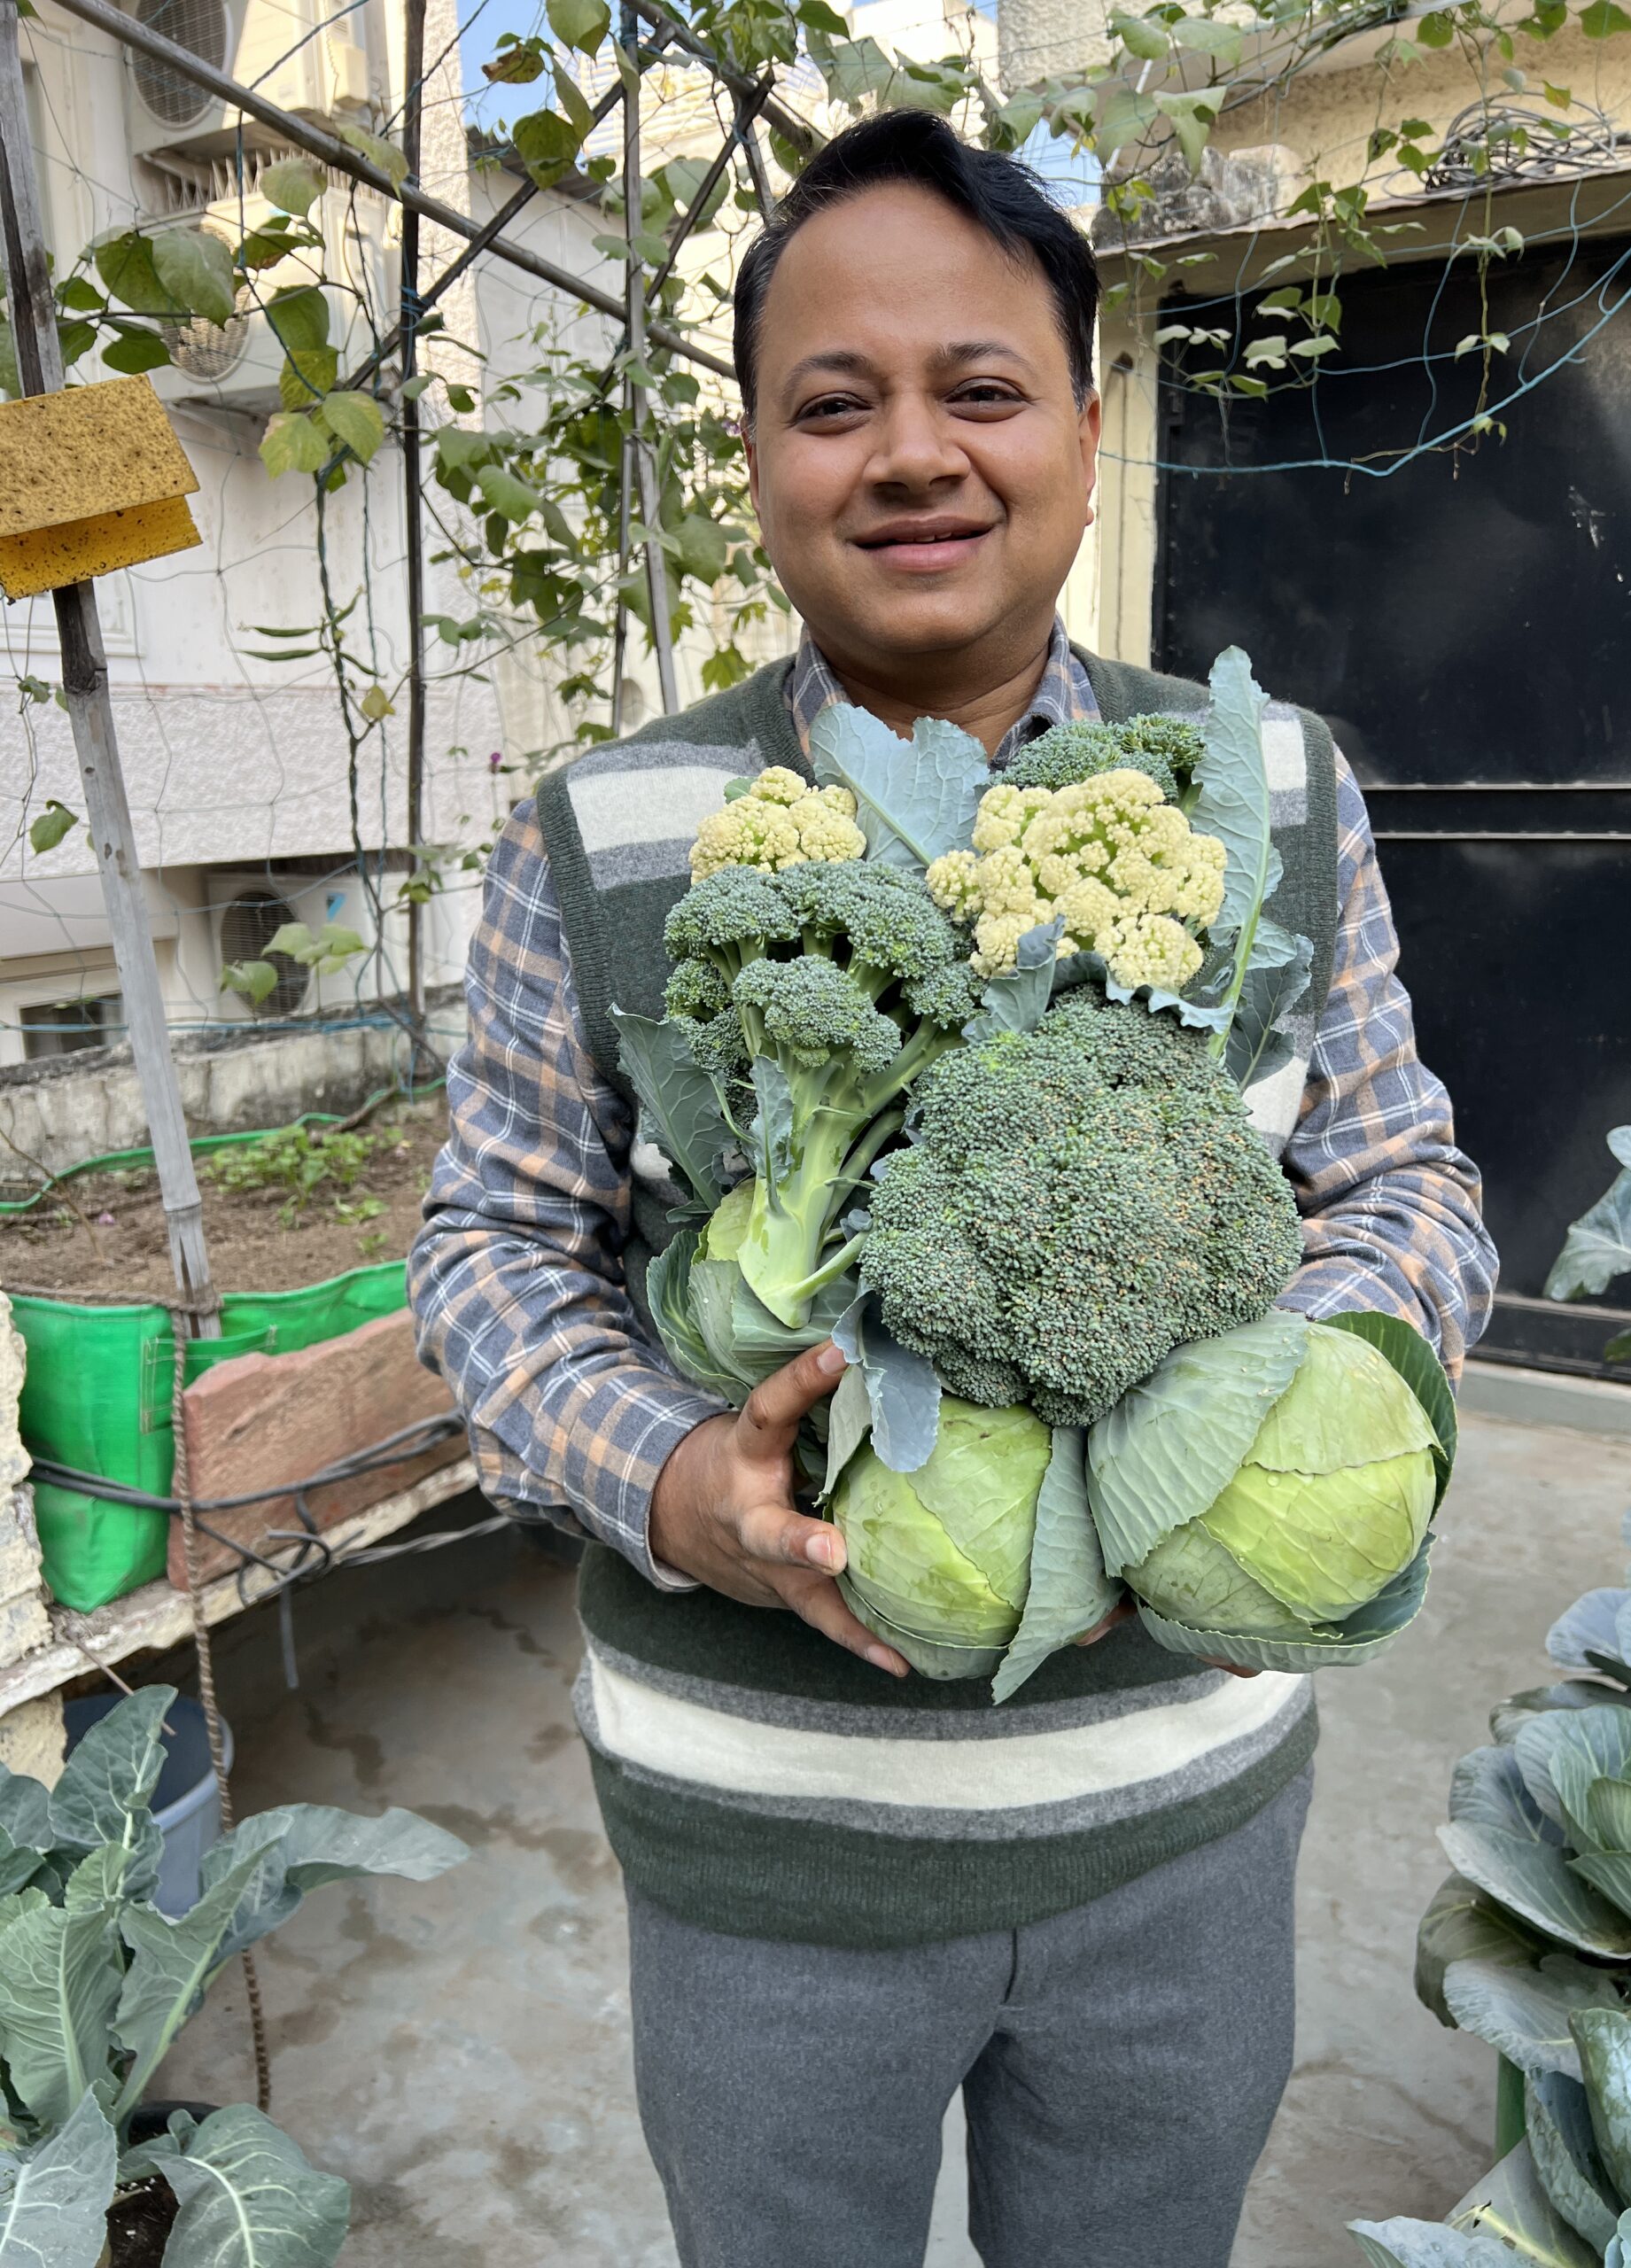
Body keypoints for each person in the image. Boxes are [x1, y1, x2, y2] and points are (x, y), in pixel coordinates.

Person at [411, 108, 1497, 2268]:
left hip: (1173, 1826)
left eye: (981, 390)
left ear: (1085, 431)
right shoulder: (613, 827)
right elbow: (492, 1255)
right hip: (764, 1854)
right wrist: (668, 1483)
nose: (913, 452)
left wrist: (1300, 1420)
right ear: (757, 459)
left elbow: (1405, 1179)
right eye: (836, 403)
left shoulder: (1272, 785)